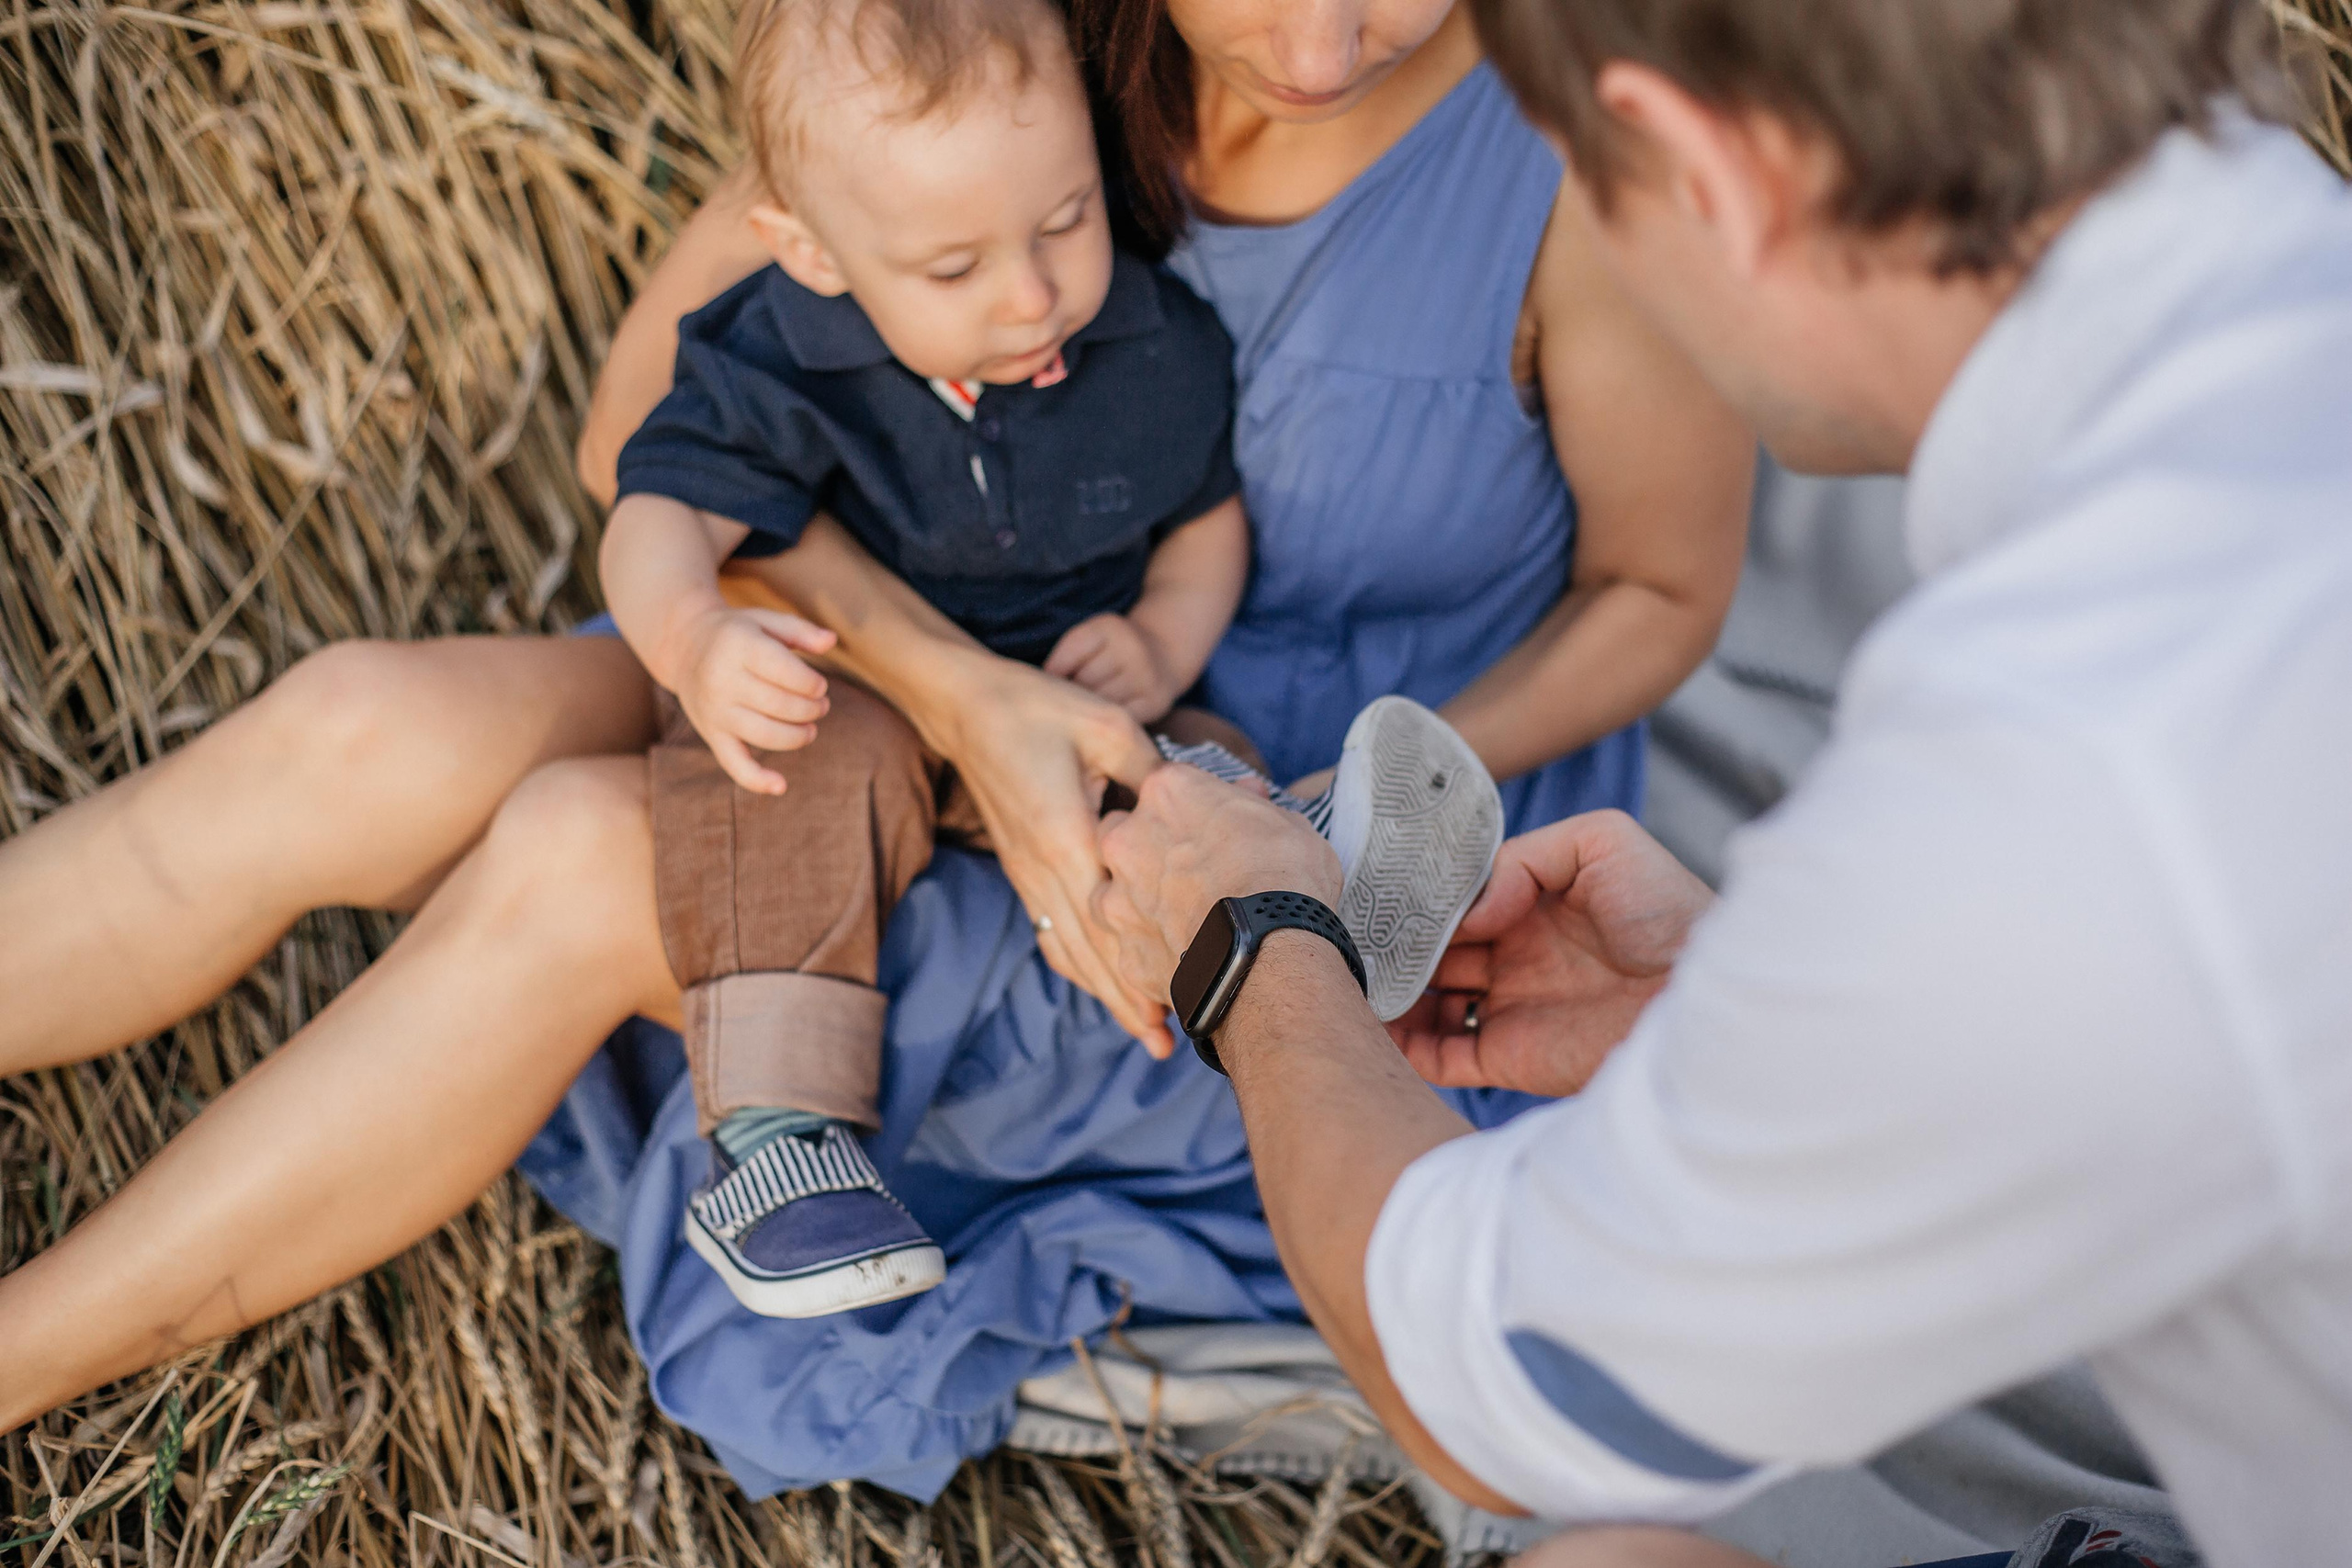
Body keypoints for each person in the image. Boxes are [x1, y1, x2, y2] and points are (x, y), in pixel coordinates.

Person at [0, 0, 1749, 1465]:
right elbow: (652, 417)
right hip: (903, 654)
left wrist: (1313, 818)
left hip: (1249, 822)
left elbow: (1663, 598)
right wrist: (957, 693)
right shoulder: (976, 36)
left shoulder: (1593, 149)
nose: (1317, 41)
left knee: (579, 857)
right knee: (363, 726)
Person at [1088, 0, 2352, 1563]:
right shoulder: (2286, 247)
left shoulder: (2060, 765)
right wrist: (1736, 1015)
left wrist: (1259, 952)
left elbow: (1474, 1369)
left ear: (1705, 171)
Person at [602, 0, 1503, 1317]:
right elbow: (657, 510)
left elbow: (1207, 528)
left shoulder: (1147, 340)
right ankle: (783, 1141)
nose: (1031, 296)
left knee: (1197, 778)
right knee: (781, 785)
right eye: (955, 271)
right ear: (812, 251)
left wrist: (1161, 637)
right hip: (860, 693)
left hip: (1081, 705)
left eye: (1066, 221)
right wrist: (693, 637)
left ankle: (1324, 887)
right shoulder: (778, 354)